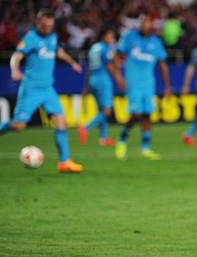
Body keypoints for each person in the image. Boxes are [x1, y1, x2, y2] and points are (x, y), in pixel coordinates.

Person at [0, 9, 84, 173]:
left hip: (48, 90)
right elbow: (16, 56)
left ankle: (64, 162)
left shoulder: (52, 37)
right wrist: (14, 70)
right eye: (44, 25)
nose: (47, 28)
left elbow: (58, 51)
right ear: (38, 22)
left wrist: (72, 63)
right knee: (18, 125)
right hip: (31, 89)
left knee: (61, 122)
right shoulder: (31, 38)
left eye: (50, 25)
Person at [113, 13, 172, 160]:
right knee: (137, 114)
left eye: (148, 23)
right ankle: (122, 140)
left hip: (148, 84)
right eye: (143, 23)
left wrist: (167, 87)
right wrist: (118, 76)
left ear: (151, 25)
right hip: (133, 83)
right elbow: (116, 55)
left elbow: (163, 65)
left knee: (147, 115)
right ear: (140, 24)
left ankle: (145, 148)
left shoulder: (156, 42)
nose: (146, 25)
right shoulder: (129, 37)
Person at [79, 27, 118, 146]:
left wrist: (86, 86)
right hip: (102, 79)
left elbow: (89, 67)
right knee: (107, 111)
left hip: (92, 79)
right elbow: (110, 64)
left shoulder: (93, 48)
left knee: (101, 110)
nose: (112, 39)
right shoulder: (105, 48)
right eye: (110, 36)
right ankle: (86, 128)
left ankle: (103, 138)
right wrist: (118, 78)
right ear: (104, 36)